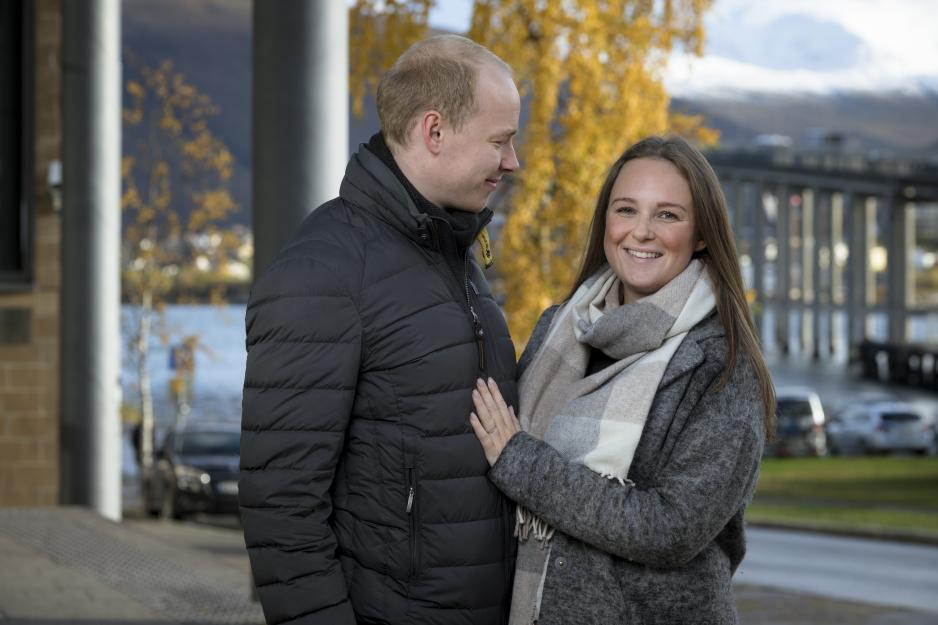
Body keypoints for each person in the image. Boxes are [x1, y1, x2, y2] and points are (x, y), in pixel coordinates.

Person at [240, 35, 522, 625]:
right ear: (434, 131)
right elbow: (281, 509)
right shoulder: (324, 271)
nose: (512, 161)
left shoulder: (452, 250)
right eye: (501, 141)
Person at [468, 136, 776, 625]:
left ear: (701, 234)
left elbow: (670, 529)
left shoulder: (723, 364)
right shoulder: (561, 328)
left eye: (668, 215)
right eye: (626, 210)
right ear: (606, 222)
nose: (642, 232)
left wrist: (519, 459)